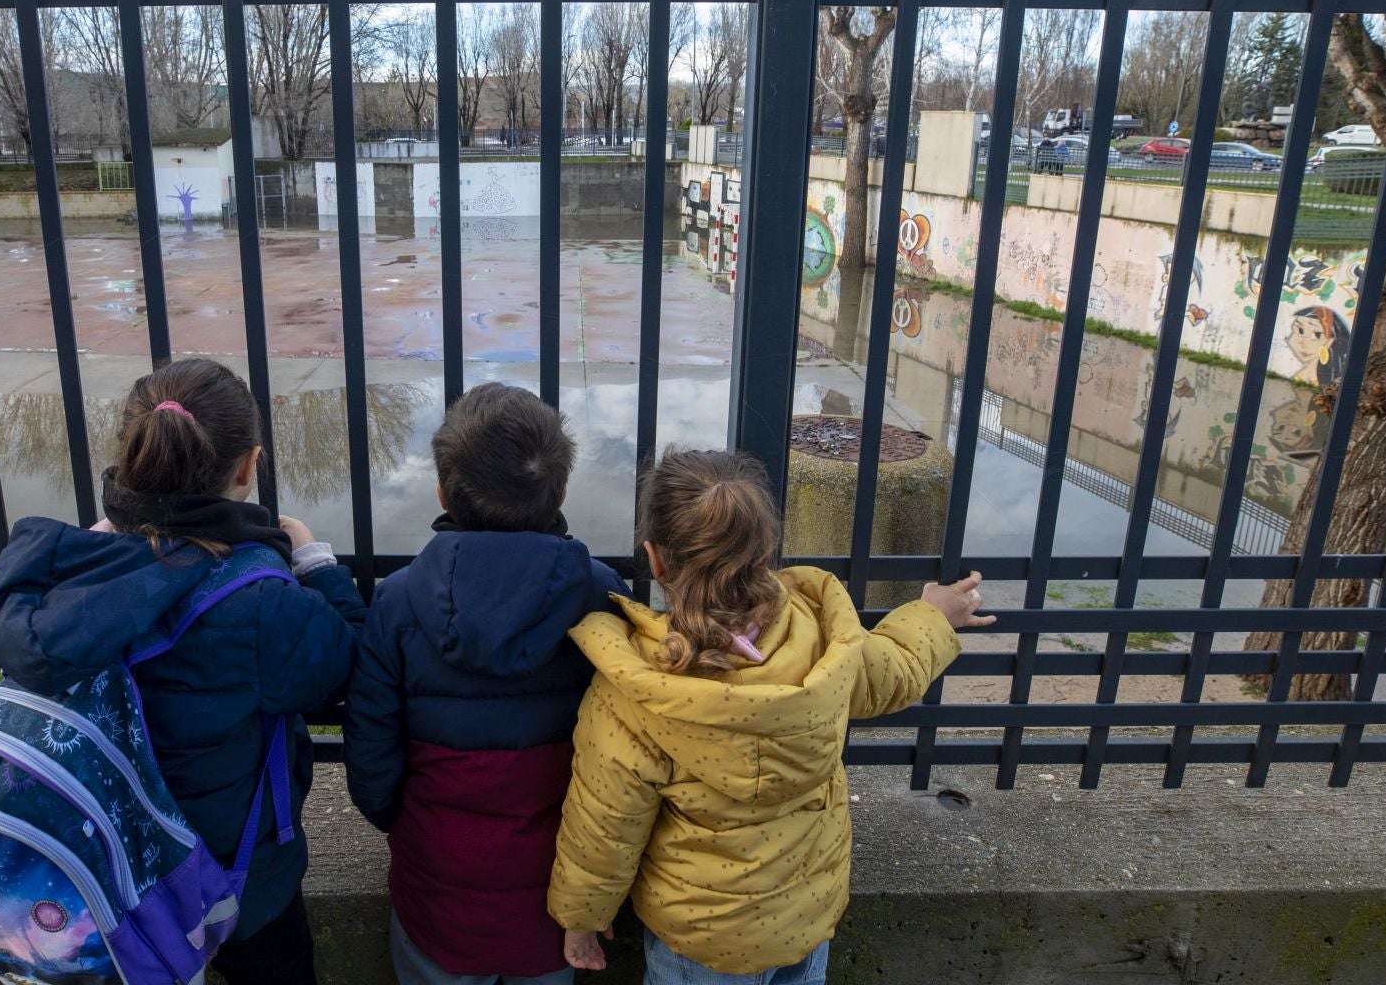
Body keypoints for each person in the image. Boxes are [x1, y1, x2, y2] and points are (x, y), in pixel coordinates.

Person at [0, 359, 365, 985]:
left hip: (102, 871)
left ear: (134, 452)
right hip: (235, 873)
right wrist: (312, 558)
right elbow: (349, 668)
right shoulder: (262, 603)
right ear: (248, 466)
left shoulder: (63, 574)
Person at [547, 448, 993, 985]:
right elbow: (893, 673)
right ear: (766, 548)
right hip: (802, 919)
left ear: (655, 558)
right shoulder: (826, 637)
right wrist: (933, 614)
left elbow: (604, 824)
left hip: (697, 937)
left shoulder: (636, 688)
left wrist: (581, 920)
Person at [344, 383, 628, 985]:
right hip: (559, 896)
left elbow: (370, 749)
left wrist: (407, 819)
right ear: (563, 488)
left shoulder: (397, 601)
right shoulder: (601, 594)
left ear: (443, 490)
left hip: (437, 889)